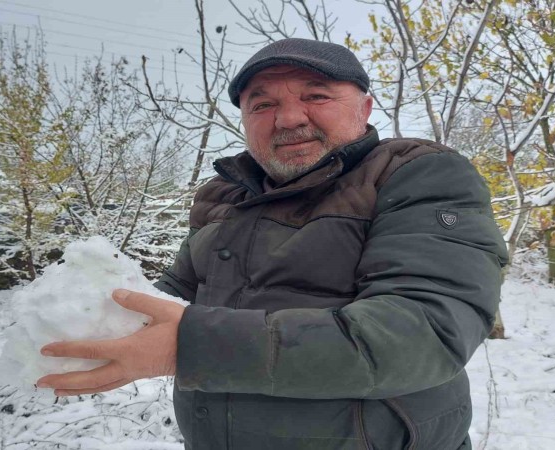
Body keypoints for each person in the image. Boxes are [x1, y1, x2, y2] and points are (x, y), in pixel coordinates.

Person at [36, 38, 509, 450]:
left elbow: (424, 332)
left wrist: (190, 347)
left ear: (364, 108)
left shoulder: (415, 174)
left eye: (316, 95)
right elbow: (171, 298)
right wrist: (84, 318)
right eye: (261, 105)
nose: (287, 117)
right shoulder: (223, 197)